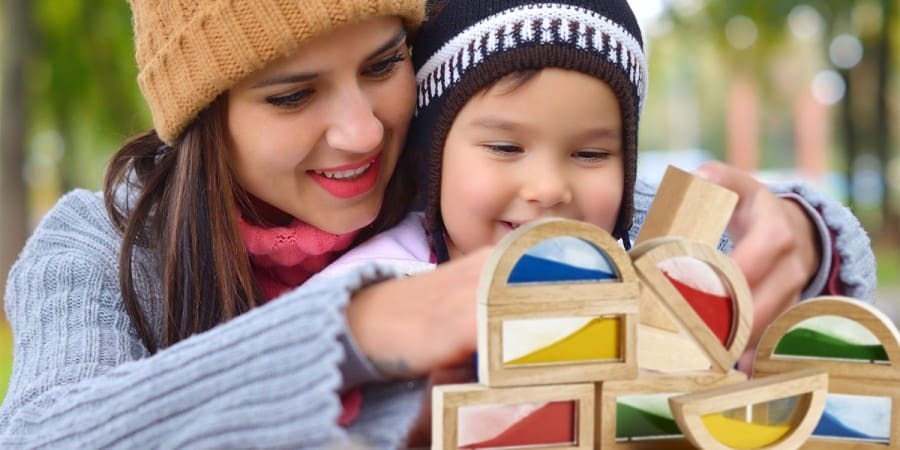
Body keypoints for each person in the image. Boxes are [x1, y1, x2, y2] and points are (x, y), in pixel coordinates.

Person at [0, 1, 875, 449]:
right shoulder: (101, 250)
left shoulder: (453, 172)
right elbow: (45, 434)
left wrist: (804, 235)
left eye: (384, 64)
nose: (363, 132)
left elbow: (683, 235)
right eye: (292, 94)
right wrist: (363, 325)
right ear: (203, 119)